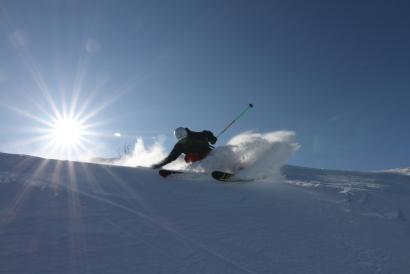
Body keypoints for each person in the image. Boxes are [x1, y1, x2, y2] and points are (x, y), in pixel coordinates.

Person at [151, 127, 217, 169]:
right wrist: (159, 165)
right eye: (181, 139)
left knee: (216, 154)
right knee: (188, 157)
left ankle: (220, 166)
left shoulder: (195, 135)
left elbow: (207, 133)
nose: (184, 141)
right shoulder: (179, 145)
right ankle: (197, 169)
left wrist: (212, 139)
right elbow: (171, 157)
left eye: (185, 138)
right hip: (196, 158)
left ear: (186, 134)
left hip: (207, 153)